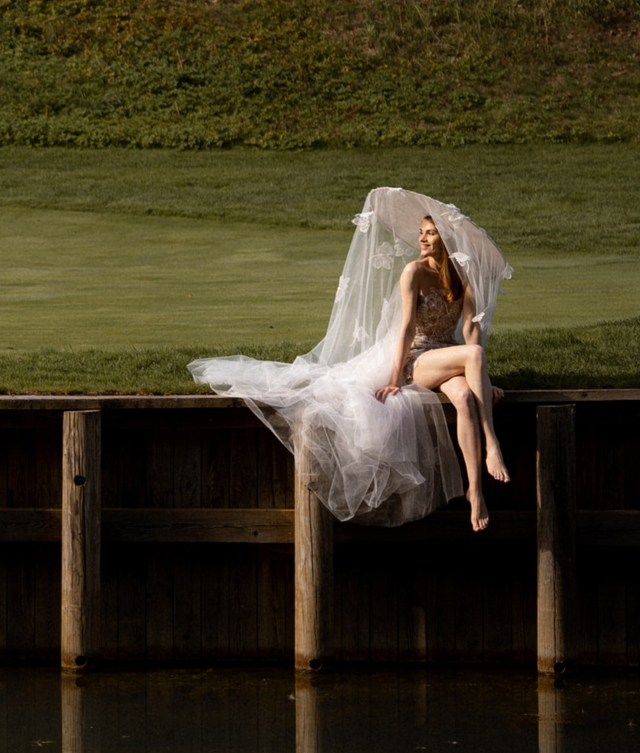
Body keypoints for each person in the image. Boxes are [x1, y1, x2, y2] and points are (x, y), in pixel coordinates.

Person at [189, 188, 512, 530]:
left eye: (430, 233)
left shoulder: (464, 278)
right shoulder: (414, 272)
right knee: (474, 355)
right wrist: (394, 379)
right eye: (421, 232)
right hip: (418, 358)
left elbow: (471, 331)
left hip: (448, 355)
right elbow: (406, 328)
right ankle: (492, 444)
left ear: (445, 240)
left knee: (464, 397)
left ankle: (475, 490)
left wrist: (482, 381)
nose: (422, 238)